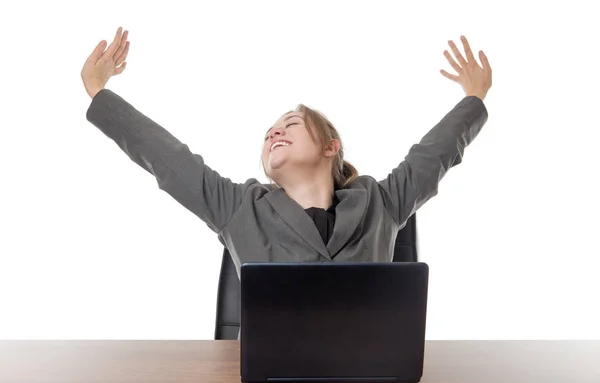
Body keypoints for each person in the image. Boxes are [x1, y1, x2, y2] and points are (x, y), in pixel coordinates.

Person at [81, 27, 492, 272]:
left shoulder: (379, 202)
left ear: (332, 147)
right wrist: (99, 92)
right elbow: (168, 158)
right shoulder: (239, 206)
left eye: (290, 125)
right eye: (269, 133)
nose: (274, 133)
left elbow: (432, 156)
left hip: (366, 379)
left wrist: (475, 96)